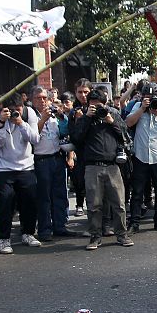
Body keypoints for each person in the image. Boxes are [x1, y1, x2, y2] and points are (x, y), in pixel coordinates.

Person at [71, 89, 133, 249]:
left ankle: (122, 235)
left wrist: (111, 120)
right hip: (92, 166)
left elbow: (125, 136)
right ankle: (95, 236)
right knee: (94, 205)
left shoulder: (112, 115)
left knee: (119, 204)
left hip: (113, 165)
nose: (96, 109)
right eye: (92, 106)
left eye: (98, 106)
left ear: (105, 104)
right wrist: (86, 118)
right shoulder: (84, 118)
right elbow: (76, 138)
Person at [0, 93, 42, 254]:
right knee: (5, 203)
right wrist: (2, 122)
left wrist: (21, 123)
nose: (15, 112)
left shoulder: (29, 113)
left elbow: (34, 138)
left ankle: (28, 233)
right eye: (11, 110)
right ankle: (3, 238)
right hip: (1, 168)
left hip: (25, 166)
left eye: (18, 109)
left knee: (30, 201)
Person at [125, 82, 157, 233]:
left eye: (155, 97)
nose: (152, 100)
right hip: (140, 155)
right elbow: (128, 122)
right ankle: (134, 222)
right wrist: (142, 108)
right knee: (138, 191)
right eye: (148, 97)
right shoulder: (138, 106)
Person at [29, 86, 74, 241]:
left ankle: (60, 226)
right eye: (38, 98)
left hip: (57, 157)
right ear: (32, 99)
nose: (41, 101)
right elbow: (32, 136)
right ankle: (44, 229)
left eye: (44, 98)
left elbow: (64, 132)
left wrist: (62, 117)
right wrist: (43, 119)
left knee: (60, 194)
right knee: (44, 197)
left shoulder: (53, 113)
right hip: (41, 159)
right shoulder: (30, 114)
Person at [69, 79, 92, 217]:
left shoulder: (97, 107)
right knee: (81, 182)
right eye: (80, 92)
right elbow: (73, 136)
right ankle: (80, 205)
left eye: (86, 92)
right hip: (82, 154)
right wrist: (79, 121)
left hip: (96, 153)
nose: (83, 95)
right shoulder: (74, 112)